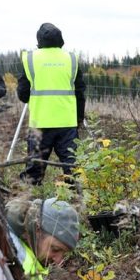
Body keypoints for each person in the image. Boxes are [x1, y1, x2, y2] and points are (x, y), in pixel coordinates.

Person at [17, 23, 87, 185]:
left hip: (40, 123)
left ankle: (28, 203)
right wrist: (79, 118)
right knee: (72, 168)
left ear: (39, 40)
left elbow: (23, 94)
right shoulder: (71, 59)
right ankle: (76, 203)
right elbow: (80, 92)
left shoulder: (30, 59)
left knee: (34, 170)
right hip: (67, 123)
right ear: (61, 39)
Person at [5, 197, 80, 280]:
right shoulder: (9, 249)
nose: (58, 261)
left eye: (64, 253)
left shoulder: (26, 247)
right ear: (38, 230)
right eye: (55, 249)